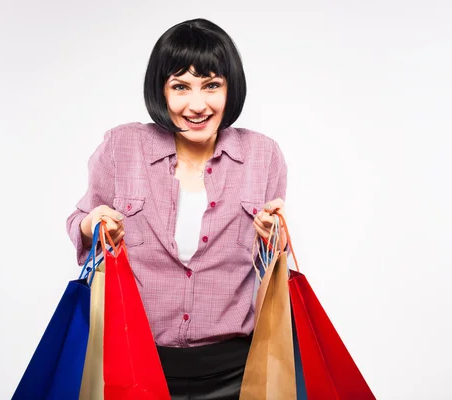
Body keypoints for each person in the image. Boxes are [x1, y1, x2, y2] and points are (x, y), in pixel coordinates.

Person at [66, 18, 288, 399]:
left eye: (212, 85)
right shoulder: (122, 147)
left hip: (235, 372)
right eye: (181, 87)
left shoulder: (262, 155)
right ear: (161, 91)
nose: (197, 105)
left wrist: (275, 237)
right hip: (133, 365)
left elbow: (270, 261)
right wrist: (92, 224)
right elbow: (80, 221)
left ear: (230, 88)